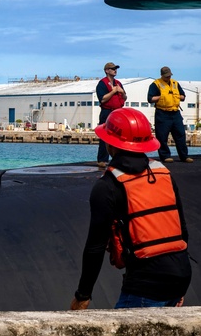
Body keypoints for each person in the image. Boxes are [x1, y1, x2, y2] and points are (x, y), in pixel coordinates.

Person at [70, 108, 191, 310]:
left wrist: (83, 295)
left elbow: (95, 247)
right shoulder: (163, 173)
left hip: (146, 285)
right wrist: (179, 287)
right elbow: (182, 230)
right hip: (180, 275)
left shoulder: (107, 186)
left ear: (110, 143)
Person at [147, 66, 191, 163]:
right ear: (162, 75)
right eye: (166, 76)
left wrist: (176, 97)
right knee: (162, 136)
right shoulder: (155, 85)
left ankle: (184, 156)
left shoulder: (175, 83)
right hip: (162, 113)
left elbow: (183, 96)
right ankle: (165, 156)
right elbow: (150, 99)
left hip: (175, 113)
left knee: (180, 135)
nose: (168, 78)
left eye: (169, 76)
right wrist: (163, 97)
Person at [95, 62, 127, 168]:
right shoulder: (102, 83)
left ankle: (117, 159)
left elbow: (125, 98)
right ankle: (102, 159)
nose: (115, 70)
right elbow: (103, 99)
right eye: (112, 69)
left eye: (115, 69)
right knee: (105, 136)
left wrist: (122, 92)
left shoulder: (118, 83)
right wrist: (113, 92)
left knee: (119, 136)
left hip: (118, 112)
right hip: (107, 111)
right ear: (106, 71)